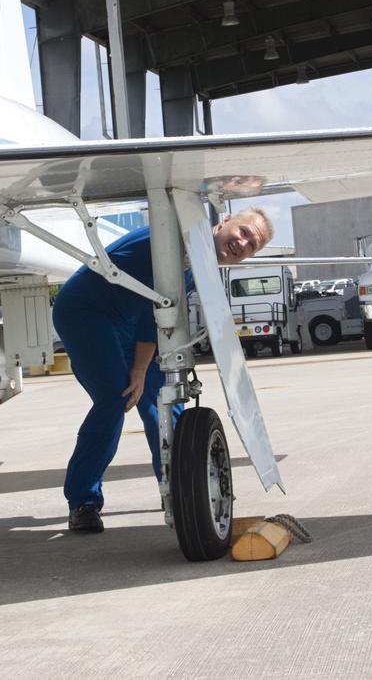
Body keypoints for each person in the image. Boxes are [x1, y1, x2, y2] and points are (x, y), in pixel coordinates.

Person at [52, 207, 274, 534]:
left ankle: (180, 493)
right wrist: (140, 371)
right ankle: (83, 501)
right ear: (224, 221)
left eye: (251, 245)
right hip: (87, 312)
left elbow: (155, 318)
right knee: (117, 398)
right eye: (242, 232)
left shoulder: (195, 262)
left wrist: (147, 371)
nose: (242, 243)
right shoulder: (175, 243)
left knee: (163, 408)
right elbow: (150, 317)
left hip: (125, 320)